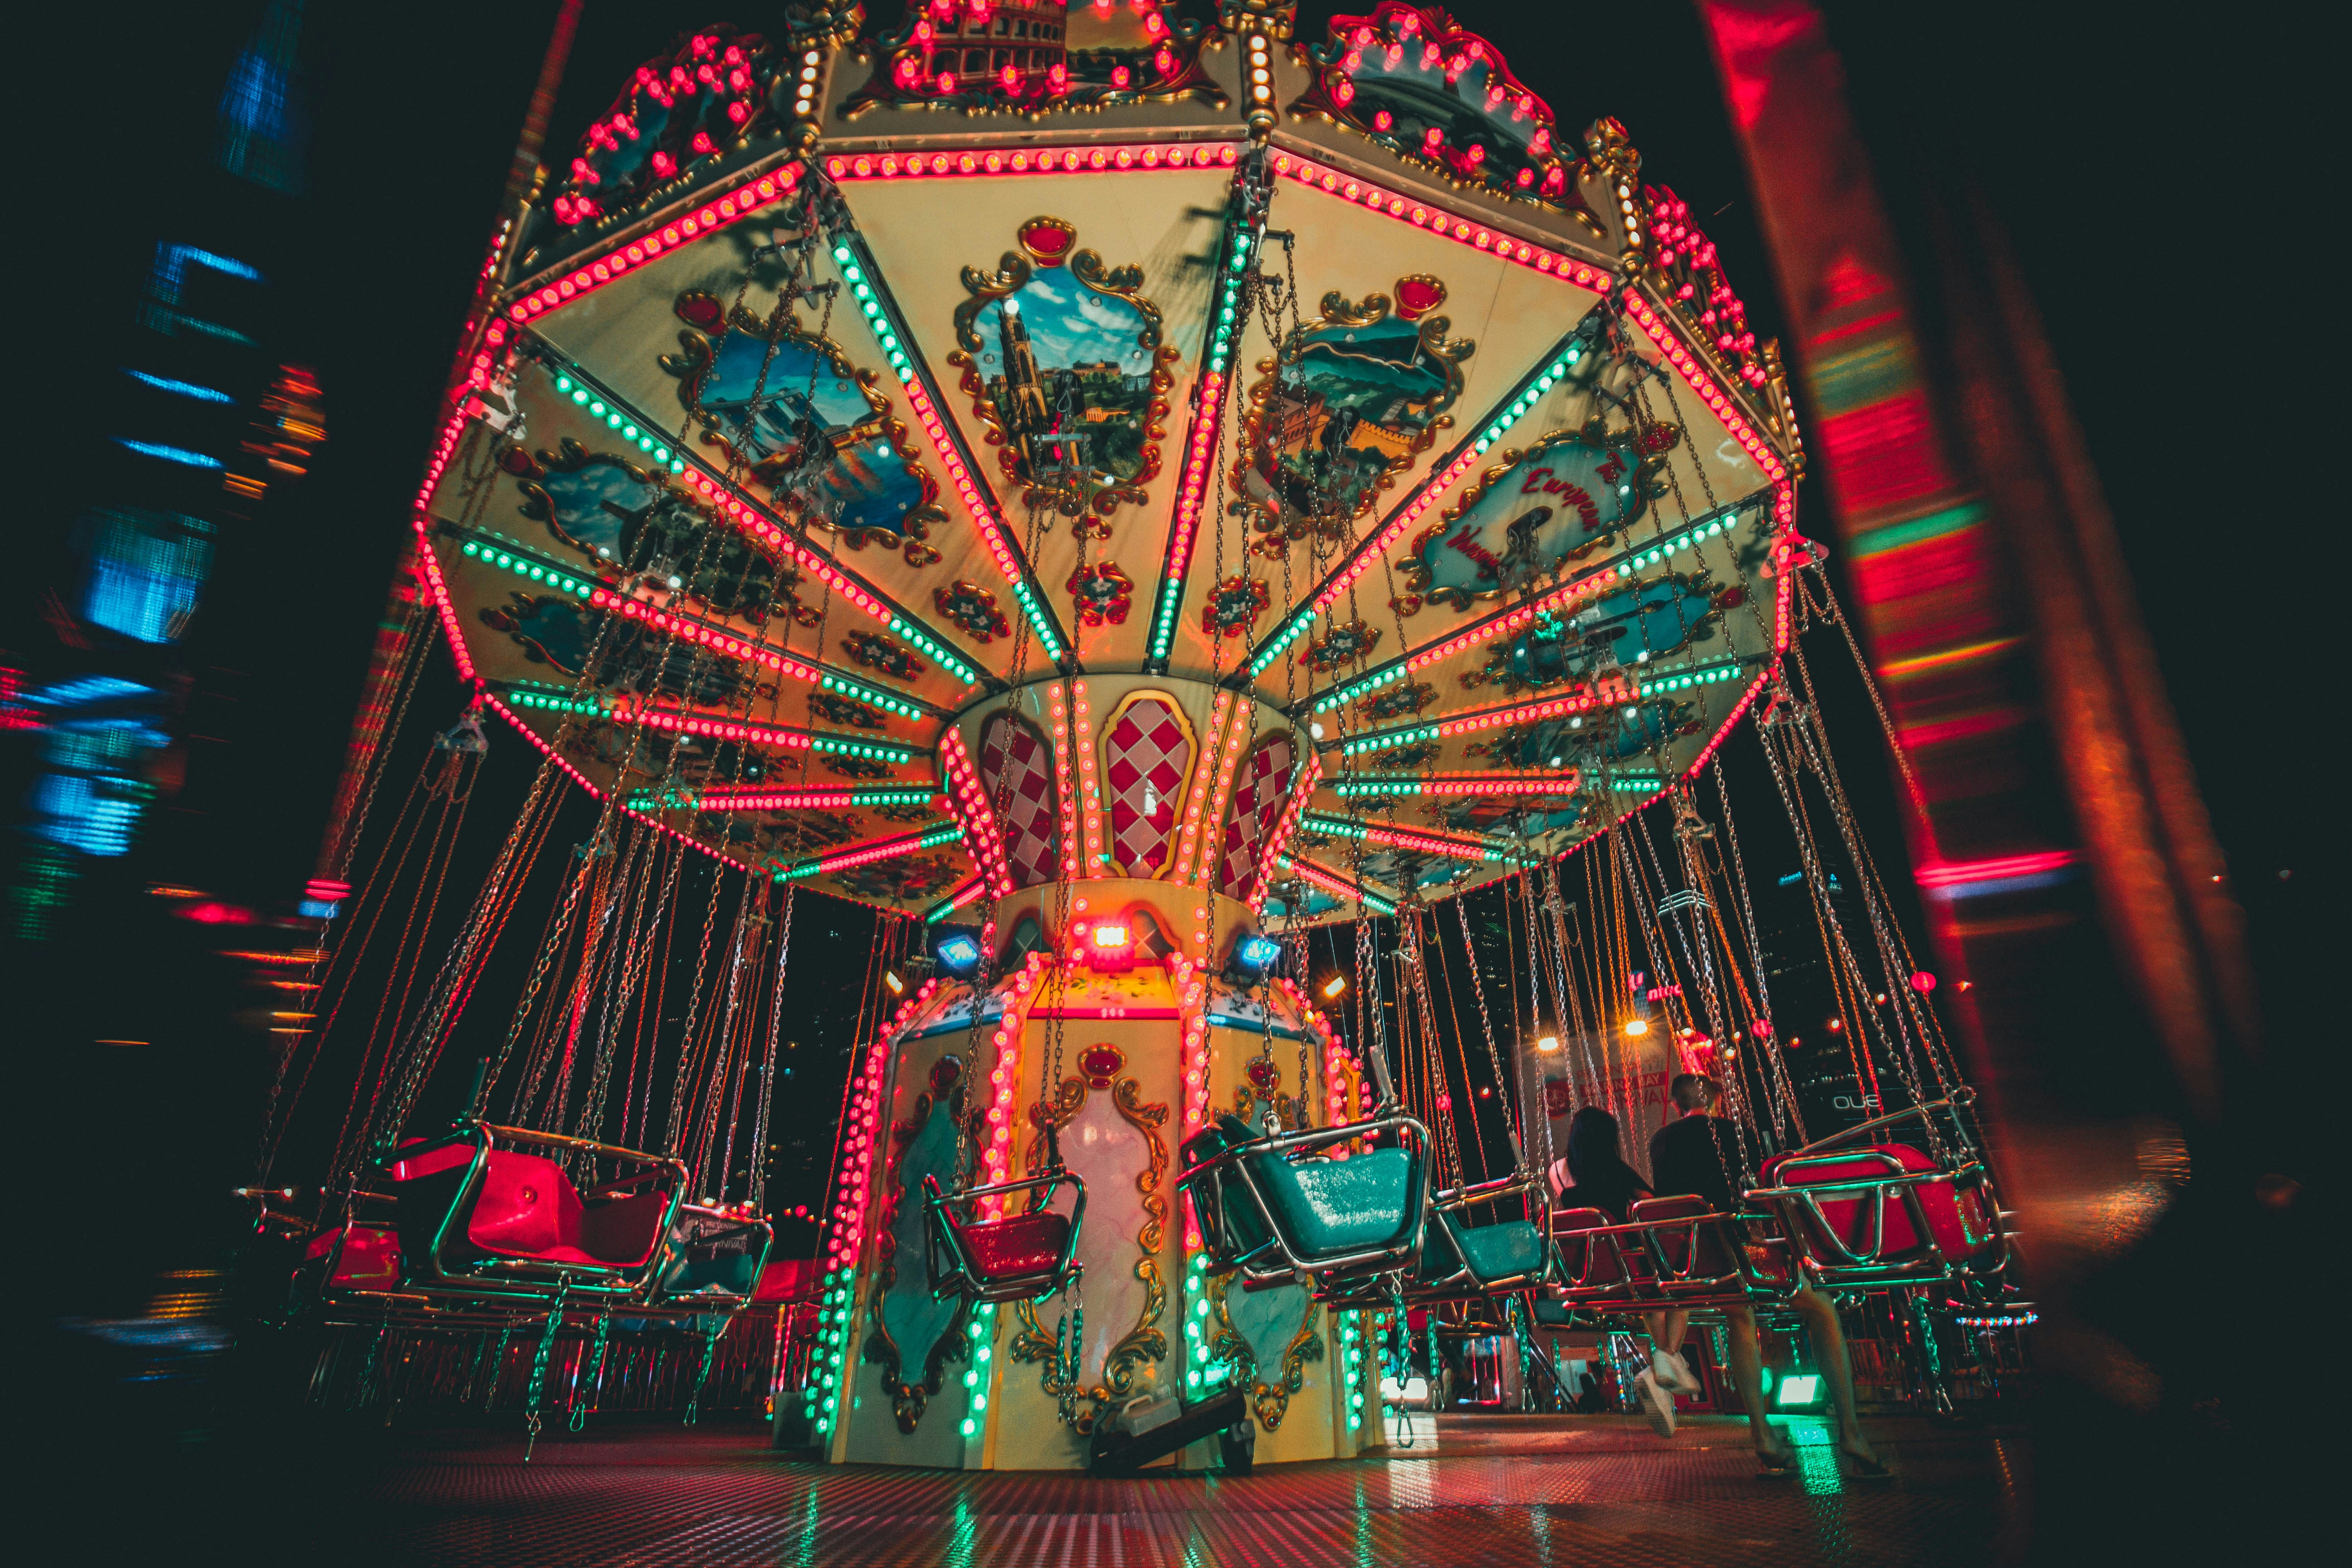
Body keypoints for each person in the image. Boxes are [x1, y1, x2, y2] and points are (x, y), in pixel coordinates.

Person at [1644, 1073, 1887, 1476]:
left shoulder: (1661, 1142)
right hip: (1745, 1248)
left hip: (1698, 1255)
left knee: (1739, 1317)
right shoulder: (1739, 1133)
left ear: (1675, 1106)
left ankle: (1762, 1436)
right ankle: (1851, 1430)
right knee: (1821, 1308)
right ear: (1719, 1101)